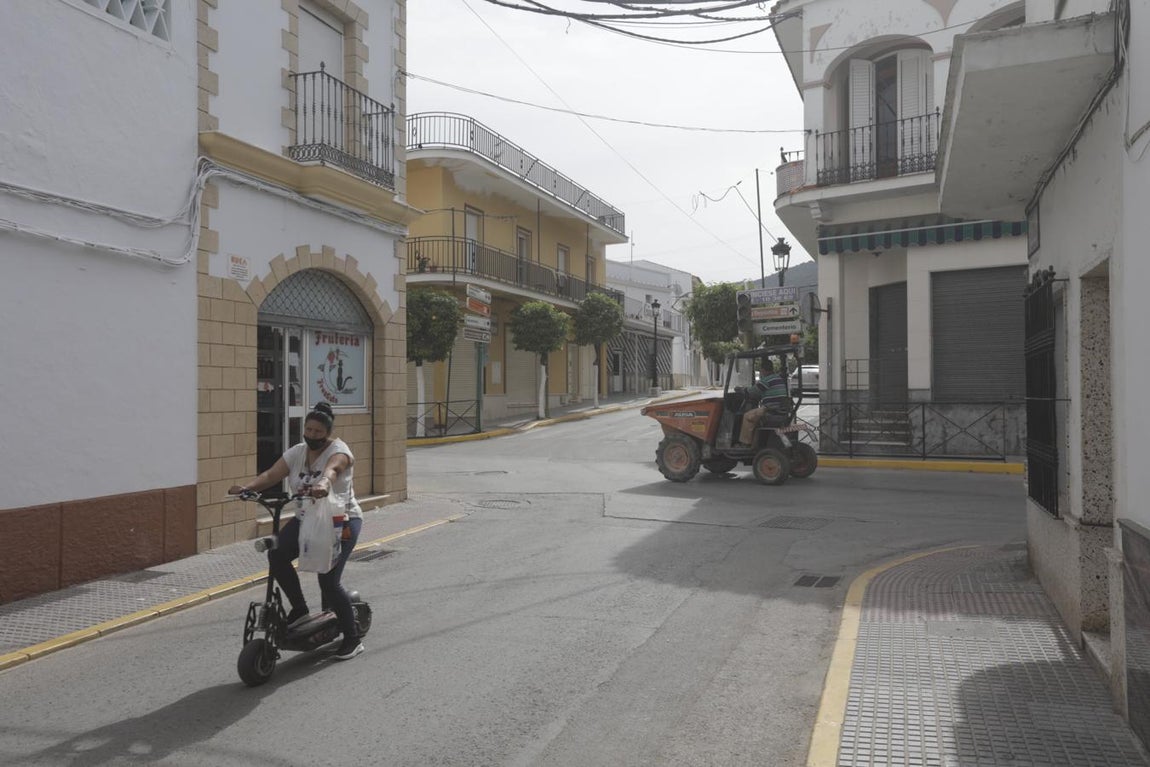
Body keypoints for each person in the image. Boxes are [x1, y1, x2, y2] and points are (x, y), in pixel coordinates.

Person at [228, 401, 365, 661]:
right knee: (277, 555)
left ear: (328, 433)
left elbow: (333, 470)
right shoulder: (298, 452)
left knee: (328, 581)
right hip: (306, 519)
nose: (312, 435)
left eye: (318, 432)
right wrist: (248, 488)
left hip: (340, 520)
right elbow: (271, 474)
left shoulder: (339, 451)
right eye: (308, 430)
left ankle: (352, 638)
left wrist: (324, 484)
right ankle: (300, 609)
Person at [737, 358, 789, 446]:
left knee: (747, 416)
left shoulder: (766, 380)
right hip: (779, 409)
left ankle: (745, 444)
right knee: (755, 414)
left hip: (770, 410)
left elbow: (751, 392)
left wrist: (741, 390)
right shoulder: (778, 378)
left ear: (762, 370)